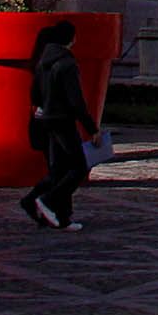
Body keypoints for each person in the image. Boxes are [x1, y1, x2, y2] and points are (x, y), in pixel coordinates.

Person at [22, 20, 94, 231]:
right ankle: (48, 201)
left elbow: (34, 94)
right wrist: (92, 128)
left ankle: (56, 214)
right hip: (62, 119)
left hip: (46, 119)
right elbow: (76, 101)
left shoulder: (42, 62)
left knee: (58, 169)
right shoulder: (66, 63)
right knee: (77, 166)